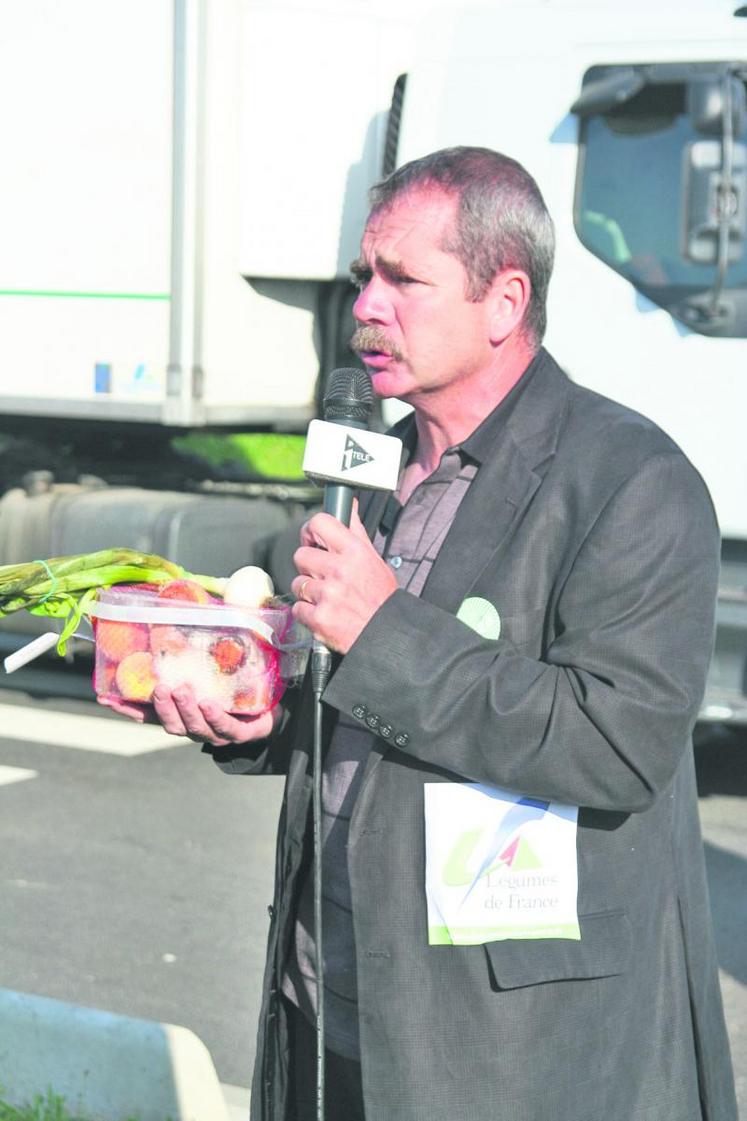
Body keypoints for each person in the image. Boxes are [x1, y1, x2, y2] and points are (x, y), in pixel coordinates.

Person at [102, 147, 737, 1121]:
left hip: (501, 1052)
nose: (366, 305)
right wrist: (249, 711)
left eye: (404, 278)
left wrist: (383, 624)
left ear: (503, 300)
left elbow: (618, 744)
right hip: (330, 1006)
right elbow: (358, 697)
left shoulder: (631, 481)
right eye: (365, 275)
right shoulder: (371, 466)